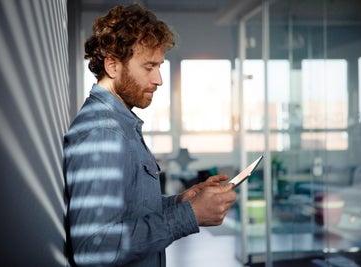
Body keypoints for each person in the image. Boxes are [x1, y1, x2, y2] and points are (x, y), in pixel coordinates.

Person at [63, 4, 237, 267]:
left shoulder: (120, 124)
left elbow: (128, 214)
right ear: (112, 65)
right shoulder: (103, 133)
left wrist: (181, 202)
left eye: (160, 66)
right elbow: (94, 248)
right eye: (148, 67)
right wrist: (189, 216)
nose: (159, 79)